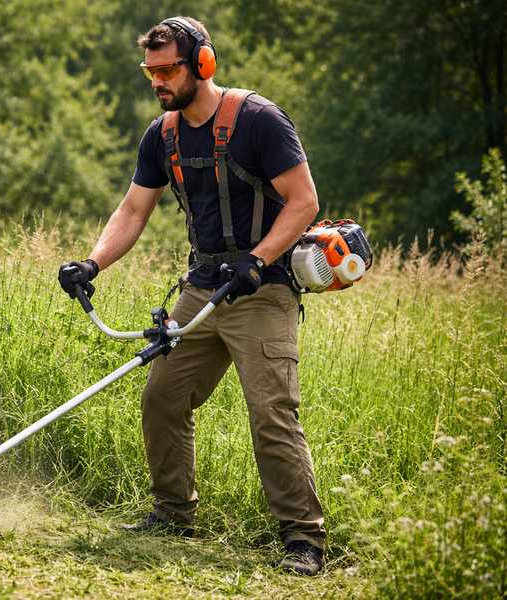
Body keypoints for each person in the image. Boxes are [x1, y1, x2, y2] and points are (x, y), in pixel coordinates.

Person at [58, 16, 326, 576]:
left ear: (202, 63)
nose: (157, 82)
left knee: (271, 412)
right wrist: (93, 263)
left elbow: (303, 202)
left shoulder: (259, 121)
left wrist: (258, 260)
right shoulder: (163, 136)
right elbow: (134, 210)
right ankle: (174, 513)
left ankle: (303, 538)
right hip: (202, 290)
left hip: (261, 290)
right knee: (162, 399)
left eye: (167, 69)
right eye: (150, 72)